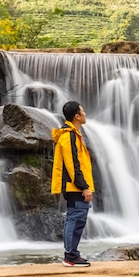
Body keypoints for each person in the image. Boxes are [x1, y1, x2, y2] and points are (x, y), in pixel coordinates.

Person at [50, 100, 96, 267]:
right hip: (74, 186)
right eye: (83, 112)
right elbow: (72, 165)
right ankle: (70, 255)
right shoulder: (68, 136)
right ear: (77, 116)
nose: (85, 114)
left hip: (75, 185)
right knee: (75, 219)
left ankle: (72, 254)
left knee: (77, 220)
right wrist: (84, 187)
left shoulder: (73, 135)